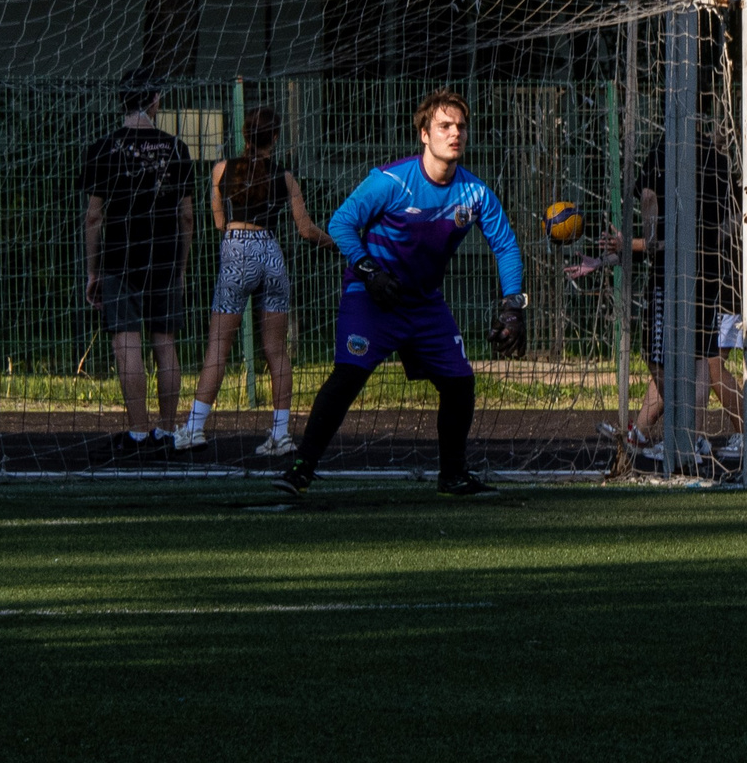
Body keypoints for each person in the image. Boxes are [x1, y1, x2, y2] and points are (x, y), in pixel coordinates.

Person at [275, 89, 527, 498]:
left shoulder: (475, 193)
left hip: (425, 302)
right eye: (445, 126)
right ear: (424, 134)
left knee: (460, 383)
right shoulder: (391, 181)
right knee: (349, 375)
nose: (455, 133)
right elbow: (340, 223)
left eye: (461, 126)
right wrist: (370, 272)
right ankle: (301, 467)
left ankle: (453, 476)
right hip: (371, 296)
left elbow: (506, 245)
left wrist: (513, 306)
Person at [568, 121, 745, 466]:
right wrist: (607, 259)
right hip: (711, 276)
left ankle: (711, 434)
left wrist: (645, 242)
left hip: (689, 282)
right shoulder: (717, 160)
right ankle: (663, 433)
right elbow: (730, 220)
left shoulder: (666, 151)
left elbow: (653, 221)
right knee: (694, 363)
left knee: (687, 363)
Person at [174, 105, 336, 458]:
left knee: (218, 349)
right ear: (274, 138)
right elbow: (306, 229)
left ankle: (194, 428)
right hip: (271, 255)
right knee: (277, 352)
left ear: (245, 135)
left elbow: (219, 223)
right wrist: (339, 244)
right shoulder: (285, 177)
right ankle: (279, 435)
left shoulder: (221, 171)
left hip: (236, 252)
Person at [79, 71, 196, 447]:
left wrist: (92, 270)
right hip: (162, 256)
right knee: (165, 343)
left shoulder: (102, 148)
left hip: (119, 256)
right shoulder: (176, 148)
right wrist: (180, 268)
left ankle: (137, 431)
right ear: (154, 100)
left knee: (126, 343)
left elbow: (94, 216)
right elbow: (187, 215)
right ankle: (166, 428)